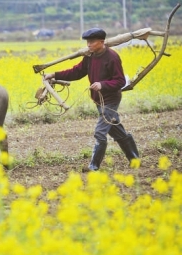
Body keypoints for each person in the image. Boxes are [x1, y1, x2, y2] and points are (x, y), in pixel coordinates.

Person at [44, 28, 139, 171]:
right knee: (116, 130)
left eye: (92, 42)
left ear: (101, 42)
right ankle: (135, 159)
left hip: (110, 99)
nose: (88, 45)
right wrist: (54, 75)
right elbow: (76, 72)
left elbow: (119, 81)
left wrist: (102, 84)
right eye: (87, 42)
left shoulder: (112, 57)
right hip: (98, 100)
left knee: (100, 132)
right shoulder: (90, 56)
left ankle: (93, 167)